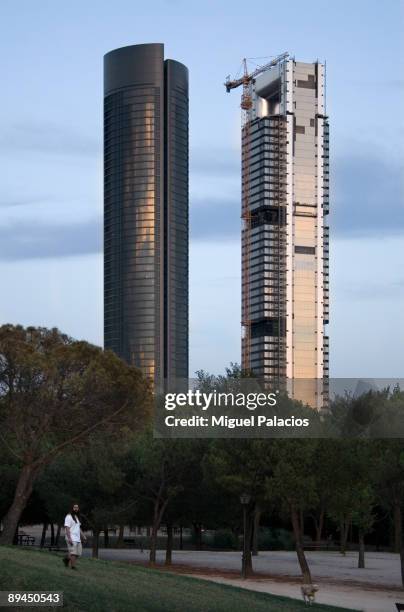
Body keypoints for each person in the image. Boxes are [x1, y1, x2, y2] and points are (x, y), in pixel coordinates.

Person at [63, 503, 86, 570]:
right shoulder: (68, 516)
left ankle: (66, 559)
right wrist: (69, 538)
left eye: (77, 507)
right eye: (74, 507)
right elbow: (67, 528)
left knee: (78, 553)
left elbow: (78, 528)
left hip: (77, 538)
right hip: (71, 537)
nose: (76, 509)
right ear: (72, 508)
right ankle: (73, 567)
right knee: (73, 553)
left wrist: (83, 536)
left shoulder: (77, 517)